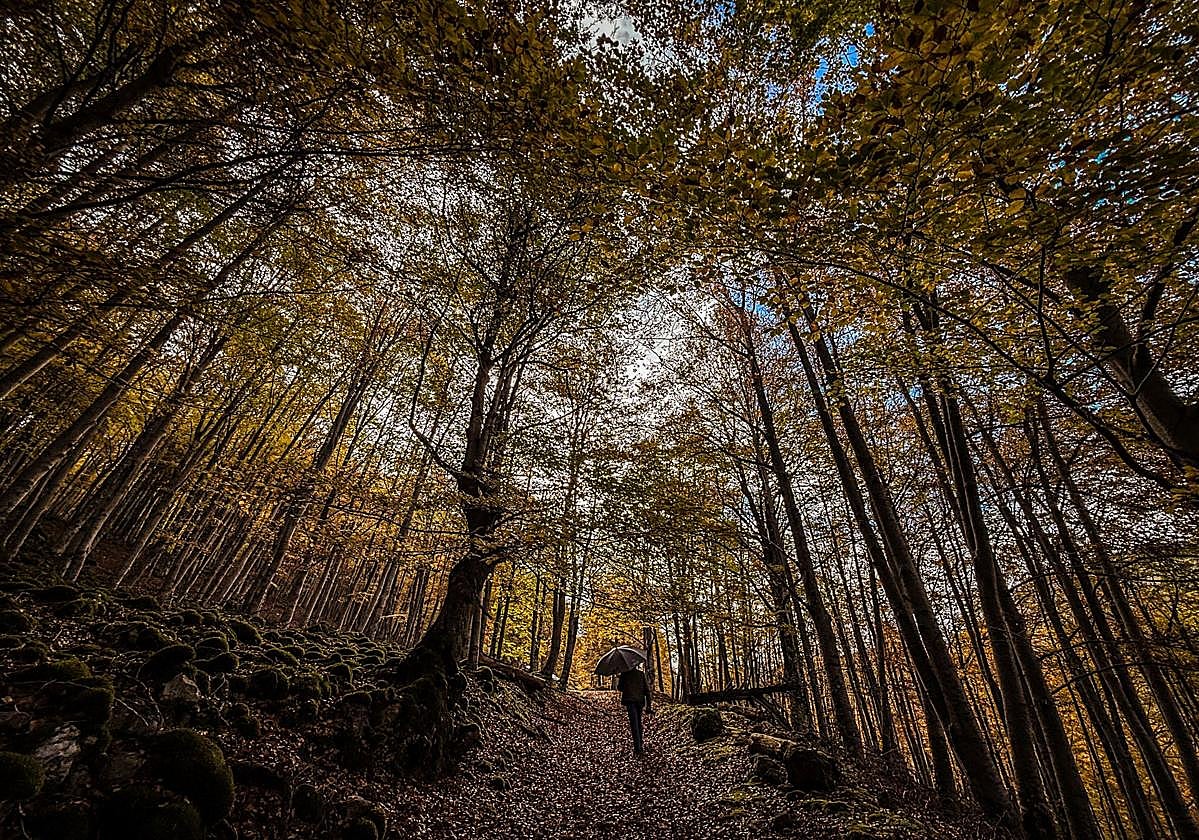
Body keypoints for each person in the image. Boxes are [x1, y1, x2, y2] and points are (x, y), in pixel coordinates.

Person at [617, 664, 651, 755]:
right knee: (639, 723)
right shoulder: (641, 674)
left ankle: (638, 748)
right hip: (639, 701)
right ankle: (639, 745)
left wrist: (621, 678)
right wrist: (649, 705)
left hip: (630, 701)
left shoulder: (624, 674)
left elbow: (620, 688)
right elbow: (647, 690)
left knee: (634, 724)